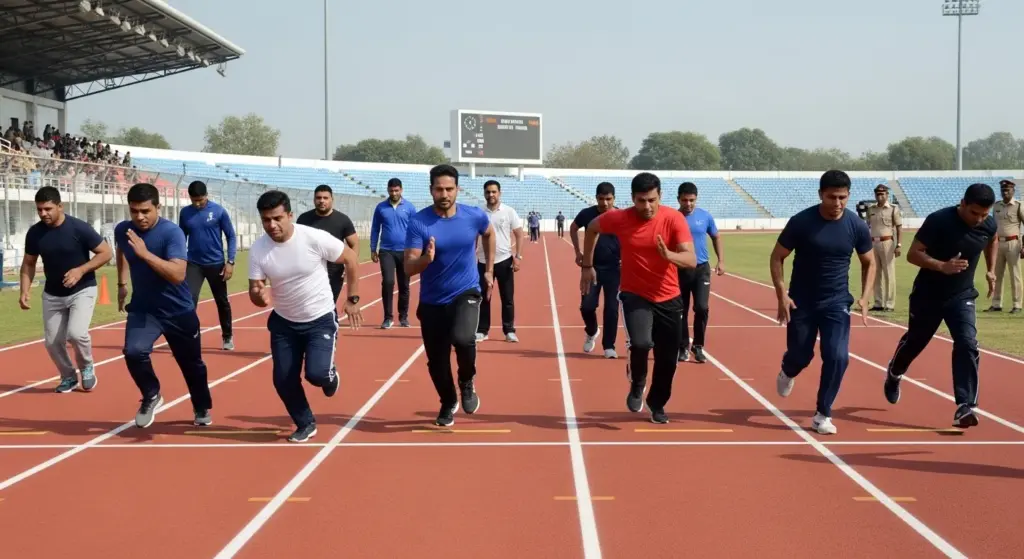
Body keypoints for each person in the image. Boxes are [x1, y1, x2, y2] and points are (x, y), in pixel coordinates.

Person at [579, 172, 695, 424]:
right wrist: (587, 265)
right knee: (641, 343)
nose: (647, 206)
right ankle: (638, 381)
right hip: (635, 294)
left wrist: (670, 256)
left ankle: (657, 402)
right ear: (632, 199)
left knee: (668, 357)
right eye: (641, 201)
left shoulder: (673, 219)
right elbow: (591, 228)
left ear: (660, 196)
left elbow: (690, 259)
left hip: (669, 296)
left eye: (652, 200)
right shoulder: (620, 218)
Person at [249, 190, 363, 443]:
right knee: (283, 379)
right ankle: (305, 422)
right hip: (284, 323)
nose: (272, 225)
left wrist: (353, 299)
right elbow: (255, 293)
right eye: (266, 220)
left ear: (290, 215)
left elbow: (351, 259)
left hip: (319, 318)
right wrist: (259, 295)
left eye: (277, 218)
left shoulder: (313, 238)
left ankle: (329, 374)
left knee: (316, 375)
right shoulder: (259, 250)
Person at [883, 183, 999, 428]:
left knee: (968, 342)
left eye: (984, 215)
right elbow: (913, 254)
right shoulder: (939, 221)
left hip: (962, 295)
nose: (978, 219)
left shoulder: (988, 224)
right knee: (916, 341)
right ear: (963, 203)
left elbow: (992, 239)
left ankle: (965, 405)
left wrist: (990, 270)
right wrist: (941, 266)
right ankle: (894, 372)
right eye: (974, 213)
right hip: (928, 294)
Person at [770, 170, 875, 436]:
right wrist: (781, 293)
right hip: (802, 302)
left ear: (848, 196)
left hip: (836, 302)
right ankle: (787, 369)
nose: (837, 203)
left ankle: (822, 414)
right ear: (821, 195)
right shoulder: (801, 222)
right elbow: (777, 257)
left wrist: (865, 295)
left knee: (838, 356)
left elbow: (869, 262)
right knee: (800, 356)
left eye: (842, 197)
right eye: (832, 197)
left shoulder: (856, 226)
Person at [404, 164, 496, 427]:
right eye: (439, 189)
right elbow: (409, 267)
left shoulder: (473, 216)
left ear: (457, 189)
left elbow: (488, 234)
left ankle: (466, 381)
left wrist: (488, 270)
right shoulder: (419, 222)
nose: (444, 194)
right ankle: (447, 401)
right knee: (437, 361)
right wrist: (426, 258)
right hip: (432, 300)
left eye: (449, 189)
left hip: (466, 291)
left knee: (464, 338)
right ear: (431, 190)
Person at [115, 183, 212, 429]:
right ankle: (151, 394)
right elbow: (122, 251)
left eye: (145, 211)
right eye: (134, 211)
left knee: (192, 365)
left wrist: (145, 254)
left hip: (178, 311)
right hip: (144, 309)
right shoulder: (123, 230)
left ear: (158, 207)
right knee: (133, 351)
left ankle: (201, 406)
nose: (139, 217)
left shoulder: (172, 233)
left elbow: (178, 274)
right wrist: (121, 282)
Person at [19, 186, 111, 393]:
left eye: (48, 209)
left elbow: (105, 253)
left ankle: (86, 367)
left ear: (60, 206)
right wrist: (24, 290)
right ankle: (68, 376)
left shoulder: (79, 228)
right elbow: (29, 263)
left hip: (82, 290)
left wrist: (81, 270)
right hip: (52, 294)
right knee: (52, 342)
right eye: (40, 209)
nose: (43, 213)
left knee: (77, 334)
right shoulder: (35, 233)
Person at [178, 180, 237, 350]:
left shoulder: (219, 211)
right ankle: (190, 337)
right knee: (189, 300)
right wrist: (179, 259)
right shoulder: (185, 213)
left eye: (200, 200)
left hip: (216, 264)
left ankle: (227, 336)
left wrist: (230, 261)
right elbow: (181, 238)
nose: (197, 203)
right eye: (194, 200)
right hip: (194, 264)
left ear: (207, 196)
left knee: (222, 301)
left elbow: (231, 236)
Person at [570, 181, 620, 358]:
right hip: (591, 267)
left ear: (614, 198)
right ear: (596, 198)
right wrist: (577, 251)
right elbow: (573, 228)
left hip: (615, 269)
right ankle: (592, 331)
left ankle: (609, 346)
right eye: (601, 199)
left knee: (612, 308)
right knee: (587, 307)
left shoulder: (621, 216)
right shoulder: (587, 214)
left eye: (608, 199)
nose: (605, 203)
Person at [676, 182, 725, 364]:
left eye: (691, 200)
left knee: (702, 308)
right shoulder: (673, 217)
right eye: (684, 200)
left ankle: (698, 346)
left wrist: (720, 260)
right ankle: (682, 347)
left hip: (701, 269)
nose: (688, 204)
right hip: (679, 269)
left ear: (696, 199)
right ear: (678, 199)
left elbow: (716, 236)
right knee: (680, 310)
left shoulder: (705, 216)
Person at [296, 185, 359, 313]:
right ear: (314, 200)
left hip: (334, 271)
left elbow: (354, 244)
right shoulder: (304, 219)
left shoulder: (342, 220)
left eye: (325, 198)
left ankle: (330, 332)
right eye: (318, 198)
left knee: (328, 304)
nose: (322, 201)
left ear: (332, 199)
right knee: (309, 305)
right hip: (310, 270)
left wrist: (351, 265)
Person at [475, 179, 523, 343]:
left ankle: (509, 330)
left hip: (504, 260)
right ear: (484, 194)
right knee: (482, 297)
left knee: (507, 297)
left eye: (494, 192)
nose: (491, 195)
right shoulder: (479, 212)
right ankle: (482, 330)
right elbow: (474, 234)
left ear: (499, 193)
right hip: (483, 261)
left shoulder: (509, 212)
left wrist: (518, 256)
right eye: (488, 192)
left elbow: (518, 233)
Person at [370, 178, 416, 329]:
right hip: (386, 251)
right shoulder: (381, 208)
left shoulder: (409, 207)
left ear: (401, 190)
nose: (394, 193)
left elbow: (415, 229)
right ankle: (388, 318)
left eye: (396, 190)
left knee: (404, 285)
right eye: (391, 190)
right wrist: (373, 248)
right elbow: (375, 228)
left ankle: (403, 317)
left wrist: (416, 249)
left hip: (405, 251)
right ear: (388, 190)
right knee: (388, 282)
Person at [985, 179, 1023, 313]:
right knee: (996, 274)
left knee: (1015, 275)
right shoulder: (996, 206)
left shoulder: (1018, 205)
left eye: (1007, 190)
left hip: (1013, 243)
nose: (1005, 192)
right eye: (1003, 190)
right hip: (997, 243)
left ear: (1013, 191)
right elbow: (992, 225)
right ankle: (996, 304)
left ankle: (1017, 305)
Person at [865, 184, 903, 312]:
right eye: (878, 194)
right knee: (875, 273)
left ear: (887, 195)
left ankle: (890, 303)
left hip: (887, 243)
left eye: (882, 194)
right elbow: (867, 227)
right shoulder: (871, 209)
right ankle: (878, 303)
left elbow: (899, 227)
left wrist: (899, 245)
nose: (880, 196)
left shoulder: (893, 209)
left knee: (889, 273)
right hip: (873, 243)